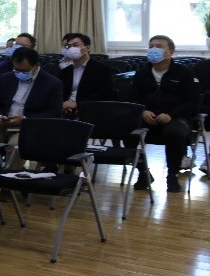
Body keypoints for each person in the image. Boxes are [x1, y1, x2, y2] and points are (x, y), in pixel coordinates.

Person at [128, 35, 200, 193]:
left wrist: (171, 114)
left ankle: (172, 174)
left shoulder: (185, 73)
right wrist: (143, 111)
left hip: (176, 118)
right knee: (127, 131)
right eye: (151, 46)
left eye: (159, 47)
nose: (154, 49)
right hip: (148, 117)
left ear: (171, 52)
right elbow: (132, 98)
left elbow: (192, 102)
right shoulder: (141, 74)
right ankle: (143, 172)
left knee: (174, 133)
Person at [0, 47, 63, 165]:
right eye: (16, 69)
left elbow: (54, 113)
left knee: (14, 146)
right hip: (3, 124)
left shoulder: (52, 83)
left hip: (30, 127)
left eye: (24, 71)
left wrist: (25, 119)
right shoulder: (5, 78)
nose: (19, 73)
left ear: (36, 66)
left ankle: (9, 175)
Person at [59, 32, 115, 116]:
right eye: (68, 46)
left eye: (75, 45)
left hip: (91, 111)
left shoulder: (102, 69)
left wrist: (78, 103)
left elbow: (105, 94)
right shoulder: (65, 71)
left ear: (87, 48)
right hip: (66, 111)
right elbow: (60, 93)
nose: (71, 49)